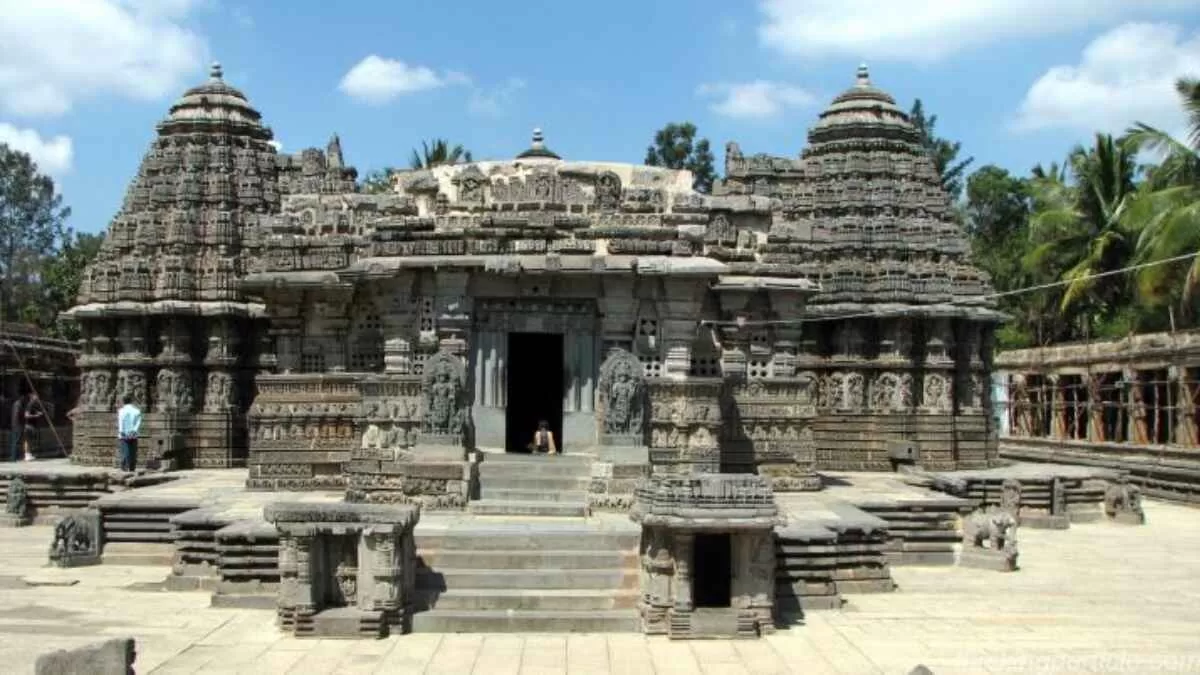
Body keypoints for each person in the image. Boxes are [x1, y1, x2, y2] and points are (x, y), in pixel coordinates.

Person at [117, 394, 142, 472]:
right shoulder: (137, 411)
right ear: (131, 401)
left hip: (123, 434)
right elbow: (138, 423)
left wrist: (121, 432)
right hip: (133, 435)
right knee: (133, 451)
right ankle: (132, 467)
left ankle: (124, 467)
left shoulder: (121, 411)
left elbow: (121, 422)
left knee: (125, 451)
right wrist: (134, 431)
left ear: (123, 401)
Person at [21, 392, 44, 461]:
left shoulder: (34, 405)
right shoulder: (30, 405)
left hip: (32, 426)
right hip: (28, 425)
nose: (37, 398)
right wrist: (36, 416)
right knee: (27, 440)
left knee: (30, 440)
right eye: (36, 397)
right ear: (32, 397)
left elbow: (32, 412)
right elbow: (26, 415)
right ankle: (26, 455)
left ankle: (29, 453)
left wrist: (37, 413)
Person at [8, 393, 26, 462]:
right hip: (17, 425)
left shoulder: (16, 404)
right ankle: (13, 457)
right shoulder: (18, 404)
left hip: (15, 425)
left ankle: (15, 457)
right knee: (15, 442)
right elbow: (16, 415)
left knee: (15, 441)